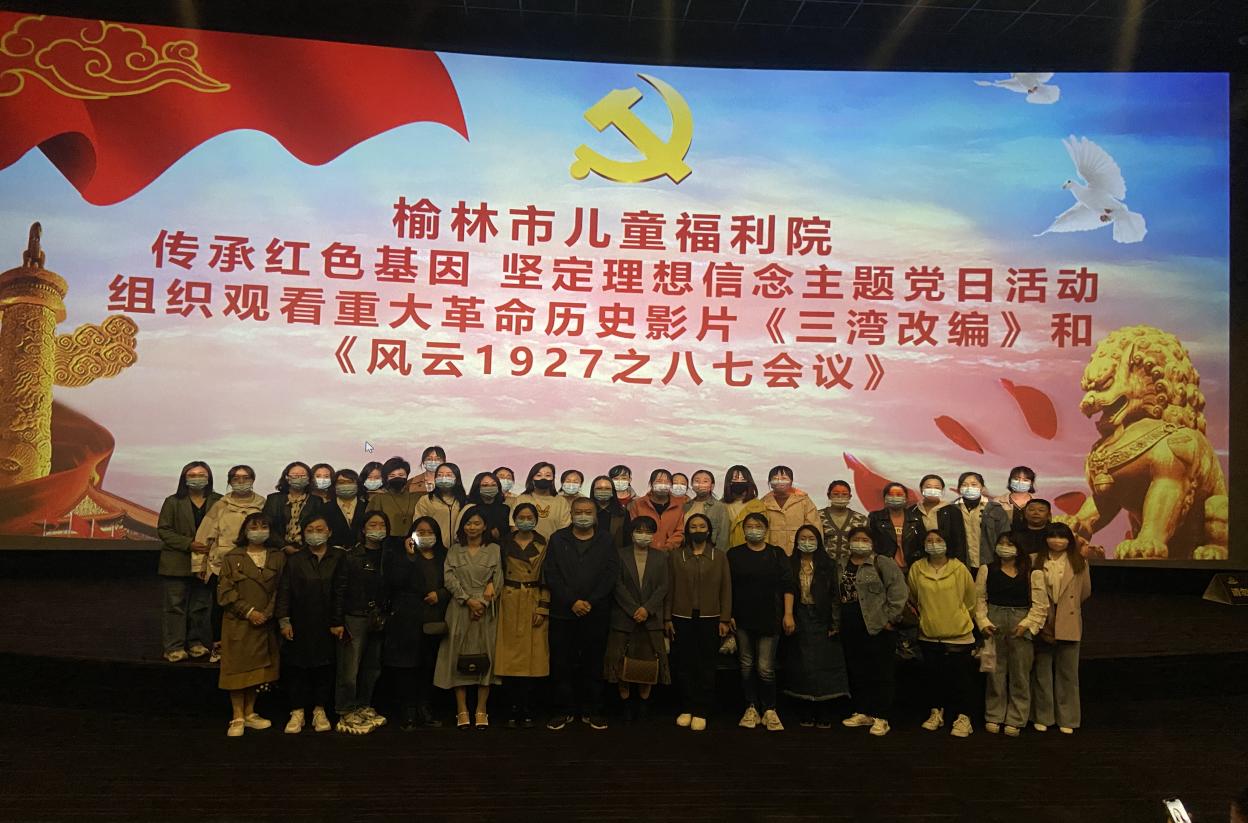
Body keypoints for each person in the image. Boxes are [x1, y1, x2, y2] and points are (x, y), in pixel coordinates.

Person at [543, 496, 620, 730]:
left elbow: (611, 573)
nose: (583, 516)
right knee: (561, 663)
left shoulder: (606, 539)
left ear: (595, 515)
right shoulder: (558, 538)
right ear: (571, 514)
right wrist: (572, 601)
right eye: (579, 512)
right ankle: (562, 711)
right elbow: (551, 573)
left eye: (588, 512)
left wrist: (590, 601)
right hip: (563, 612)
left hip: (596, 612)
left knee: (593, 663)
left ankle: (592, 710)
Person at [434, 505, 503, 729]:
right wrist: (468, 600)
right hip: (459, 608)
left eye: (477, 523)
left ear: (485, 526)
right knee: (456, 655)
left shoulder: (494, 549)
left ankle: (481, 709)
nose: (472, 527)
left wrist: (482, 602)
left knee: (487, 655)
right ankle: (461, 709)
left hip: (486, 609)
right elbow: (449, 578)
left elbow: (498, 579)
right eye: (468, 523)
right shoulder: (455, 550)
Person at [216, 512, 284, 737]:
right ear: (245, 531)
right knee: (237, 669)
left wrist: (268, 612)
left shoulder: (277, 557)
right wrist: (249, 612)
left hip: (266, 622)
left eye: (264, 526)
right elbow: (225, 592)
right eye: (254, 527)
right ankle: (237, 716)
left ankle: (250, 712)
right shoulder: (232, 557)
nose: (259, 531)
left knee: (258, 671)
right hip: (239, 622)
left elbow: (281, 588)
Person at [728, 511, 796, 732]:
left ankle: (769, 709)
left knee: (765, 667)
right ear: (743, 530)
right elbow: (727, 588)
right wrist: (728, 614)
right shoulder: (734, 554)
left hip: (770, 618)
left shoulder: (777, 554)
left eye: (758, 526)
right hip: (742, 619)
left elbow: (788, 585)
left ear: (766, 530)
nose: (754, 530)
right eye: (749, 526)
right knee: (746, 665)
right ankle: (751, 707)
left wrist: (788, 614)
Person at [975, 533, 1047, 736]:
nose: (1004, 547)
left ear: (1018, 548)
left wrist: (1026, 624)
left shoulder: (1032, 573)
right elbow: (978, 599)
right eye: (1001, 543)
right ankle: (994, 715)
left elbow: (1040, 605)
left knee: (1020, 674)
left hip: (1020, 622)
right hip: (994, 620)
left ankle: (1016, 717)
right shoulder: (987, 570)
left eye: (1009, 544)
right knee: (994, 673)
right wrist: (983, 623)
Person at [908, 529, 978, 738]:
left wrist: (957, 616)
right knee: (933, 678)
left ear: (947, 543)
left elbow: (970, 600)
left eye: (938, 540)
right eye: (929, 540)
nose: (934, 543)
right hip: (929, 633)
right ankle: (936, 713)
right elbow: (914, 597)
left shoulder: (959, 568)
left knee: (961, 679)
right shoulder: (917, 568)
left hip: (959, 634)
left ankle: (964, 718)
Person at [839, 526, 908, 737]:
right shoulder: (841, 563)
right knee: (857, 671)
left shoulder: (882, 562)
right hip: (850, 626)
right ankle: (863, 711)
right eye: (856, 539)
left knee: (881, 672)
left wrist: (890, 619)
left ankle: (881, 716)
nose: (860, 543)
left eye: (864, 539)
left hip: (878, 627)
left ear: (872, 543)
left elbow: (898, 592)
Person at [665, 513, 731, 731]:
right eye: (693, 526)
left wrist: (724, 618)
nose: (697, 530)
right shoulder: (676, 556)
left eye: (702, 526)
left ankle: (701, 710)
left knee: (706, 666)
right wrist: (667, 617)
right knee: (684, 664)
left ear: (709, 530)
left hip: (710, 619)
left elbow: (726, 589)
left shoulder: (719, 556)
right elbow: (669, 588)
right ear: (687, 531)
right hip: (681, 617)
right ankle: (686, 707)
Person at [276, 515, 342, 734]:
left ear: (329, 532)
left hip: (328, 623)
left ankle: (319, 710)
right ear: (303, 534)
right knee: (297, 668)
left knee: (325, 668)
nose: (315, 533)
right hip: (300, 621)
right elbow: (284, 592)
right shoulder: (295, 560)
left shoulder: (339, 557)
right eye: (310, 529)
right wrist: (284, 621)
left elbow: (342, 591)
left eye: (320, 529)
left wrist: (338, 621)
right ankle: (297, 711)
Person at [195, 465, 266, 664]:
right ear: (229, 481)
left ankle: (248, 649)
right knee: (221, 607)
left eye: (246, 477)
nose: (241, 481)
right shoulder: (220, 504)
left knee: (251, 606)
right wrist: (199, 565)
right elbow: (204, 537)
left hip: (253, 563)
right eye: (236, 478)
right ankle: (218, 647)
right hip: (221, 564)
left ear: (253, 479)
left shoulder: (263, 503)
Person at [384, 517, 450, 731]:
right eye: (420, 532)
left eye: (430, 532)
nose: (425, 536)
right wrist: (410, 556)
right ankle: (409, 710)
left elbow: (453, 582)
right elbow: (395, 582)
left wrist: (440, 594)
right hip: (407, 619)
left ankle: (425, 708)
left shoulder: (444, 556)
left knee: (428, 666)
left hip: (434, 618)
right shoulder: (401, 555)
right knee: (407, 667)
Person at [783, 526, 851, 728]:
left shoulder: (828, 564)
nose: (807, 542)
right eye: (803, 538)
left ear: (819, 541)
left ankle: (823, 710)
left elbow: (836, 595)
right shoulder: (789, 563)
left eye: (811, 538)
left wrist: (835, 621)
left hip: (822, 618)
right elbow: (786, 589)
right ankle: (805, 708)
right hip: (799, 616)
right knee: (802, 664)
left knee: (824, 665)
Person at [605, 516, 671, 720]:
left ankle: (644, 702)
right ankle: (625, 701)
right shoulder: (619, 554)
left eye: (648, 531)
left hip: (650, 619)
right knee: (621, 661)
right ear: (632, 533)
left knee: (647, 662)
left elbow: (664, 587)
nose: (643, 535)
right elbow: (616, 584)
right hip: (624, 617)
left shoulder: (661, 557)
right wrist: (634, 609)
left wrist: (647, 609)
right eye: (639, 531)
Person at [157, 461, 221, 662]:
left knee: (200, 606)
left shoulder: (219, 501)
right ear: (184, 478)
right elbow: (164, 530)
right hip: (177, 562)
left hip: (206, 563)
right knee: (175, 606)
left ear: (209, 478)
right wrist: (188, 544)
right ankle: (173, 646)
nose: (197, 478)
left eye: (201, 474)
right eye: (192, 475)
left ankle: (195, 642)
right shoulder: (173, 501)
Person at [493, 502, 550, 728]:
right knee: (509, 657)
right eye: (521, 517)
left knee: (532, 659)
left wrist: (543, 606)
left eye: (529, 517)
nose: (525, 520)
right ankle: (511, 707)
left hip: (533, 599)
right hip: (508, 599)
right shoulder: (503, 543)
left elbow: (547, 576)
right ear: (514, 519)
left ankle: (527, 707)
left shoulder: (544, 543)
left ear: (536, 519)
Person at [332, 510, 390, 735]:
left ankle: (363, 705)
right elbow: (339, 590)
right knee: (350, 668)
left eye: (382, 525)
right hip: (354, 616)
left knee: (372, 667)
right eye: (373, 525)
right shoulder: (350, 556)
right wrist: (337, 620)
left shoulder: (389, 555)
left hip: (379, 617)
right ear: (363, 529)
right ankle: (346, 710)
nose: (378, 529)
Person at [1031, 522, 1091, 735]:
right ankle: (1043, 715)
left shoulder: (1079, 562)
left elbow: (1085, 592)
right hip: (1042, 618)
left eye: (1062, 537)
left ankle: (1068, 718)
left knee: (1068, 672)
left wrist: (1067, 609)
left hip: (1068, 618)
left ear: (1069, 540)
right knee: (1042, 671)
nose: (1057, 541)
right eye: (1053, 536)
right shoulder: (1034, 560)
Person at [943, 471, 1011, 574]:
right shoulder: (951, 509)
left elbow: (1005, 534)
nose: (969, 488)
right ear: (959, 488)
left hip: (990, 562)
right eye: (964, 485)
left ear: (982, 487)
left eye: (974, 484)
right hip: (960, 563)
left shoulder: (995, 508)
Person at [263, 461, 324, 557]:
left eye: (303, 476)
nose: (299, 478)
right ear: (287, 478)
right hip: (277, 550)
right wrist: (283, 546)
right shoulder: (273, 499)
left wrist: (304, 548)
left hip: (307, 551)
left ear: (309, 478)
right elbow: (267, 525)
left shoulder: (316, 501)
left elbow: (319, 526)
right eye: (295, 475)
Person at [760, 465, 821, 556]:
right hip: (771, 554)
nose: (780, 482)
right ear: (770, 483)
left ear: (791, 481)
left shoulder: (804, 501)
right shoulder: (763, 503)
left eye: (784, 478)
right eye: (775, 479)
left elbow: (814, 528)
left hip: (799, 552)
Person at [866, 482, 924, 570]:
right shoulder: (875, 517)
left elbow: (921, 544)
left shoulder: (916, 518)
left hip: (911, 567)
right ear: (885, 498)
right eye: (890, 494)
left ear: (906, 498)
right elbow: (870, 543)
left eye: (899, 494)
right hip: (883, 567)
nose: (895, 497)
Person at [627, 469, 686, 550]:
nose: (663, 485)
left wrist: (668, 547)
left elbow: (679, 531)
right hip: (643, 551)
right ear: (651, 483)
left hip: (670, 552)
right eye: (659, 481)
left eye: (667, 482)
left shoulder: (678, 506)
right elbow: (633, 528)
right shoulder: (638, 504)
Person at [371, 456, 421, 549]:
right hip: (386, 545)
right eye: (392, 476)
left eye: (401, 475)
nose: (397, 478)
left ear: (407, 476)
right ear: (386, 478)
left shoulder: (416, 498)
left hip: (413, 543)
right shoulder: (378, 498)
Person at [513, 461, 571, 539]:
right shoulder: (521, 499)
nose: (543, 478)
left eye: (548, 475)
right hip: (526, 545)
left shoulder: (561, 501)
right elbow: (514, 526)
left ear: (553, 479)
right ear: (532, 478)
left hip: (554, 544)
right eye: (539, 475)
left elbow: (565, 529)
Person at [415, 461, 468, 547]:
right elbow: (418, 525)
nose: (444, 478)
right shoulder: (426, 500)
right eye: (439, 475)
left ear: (457, 479)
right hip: (433, 547)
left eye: (448, 475)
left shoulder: (464, 501)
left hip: (459, 549)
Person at [818, 480, 868, 563]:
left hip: (851, 565)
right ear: (828, 495)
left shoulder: (861, 519)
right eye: (835, 494)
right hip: (822, 565)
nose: (840, 497)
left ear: (850, 496)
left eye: (844, 494)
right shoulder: (817, 517)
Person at [683, 470, 731, 553]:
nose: (701, 484)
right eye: (697, 481)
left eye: (705, 481)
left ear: (712, 486)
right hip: (687, 551)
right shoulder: (686, 505)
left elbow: (723, 537)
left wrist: (717, 556)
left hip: (710, 553)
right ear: (692, 485)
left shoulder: (719, 507)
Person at [722, 464, 767, 548]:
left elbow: (766, 535)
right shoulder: (720, 506)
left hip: (750, 551)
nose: (739, 482)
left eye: (743, 479)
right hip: (724, 552)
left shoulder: (759, 507)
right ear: (728, 482)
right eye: (735, 479)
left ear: (749, 482)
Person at [325, 468, 368, 549]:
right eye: (341, 482)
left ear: (357, 485)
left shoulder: (367, 506)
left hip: (363, 551)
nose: (346, 485)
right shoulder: (325, 508)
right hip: (334, 552)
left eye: (350, 482)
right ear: (334, 486)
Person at [465, 471, 511, 544]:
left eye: (493, 485)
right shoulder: (470, 508)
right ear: (477, 487)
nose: (490, 487)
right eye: (485, 485)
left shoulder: (505, 509)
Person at [589, 474, 630, 547]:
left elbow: (627, 540)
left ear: (612, 491)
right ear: (593, 491)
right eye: (599, 488)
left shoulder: (623, 513)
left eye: (607, 488)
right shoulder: (585, 511)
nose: (603, 491)